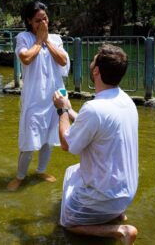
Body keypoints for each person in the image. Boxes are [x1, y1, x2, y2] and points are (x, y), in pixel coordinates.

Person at [53, 44, 138, 244]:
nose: (91, 63)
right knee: (74, 170)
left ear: (96, 70)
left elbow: (66, 144)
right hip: (127, 192)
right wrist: (71, 109)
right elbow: (94, 124)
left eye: (93, 60)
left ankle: (120, 230)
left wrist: (62, 110)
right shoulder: (126, 101)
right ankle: (117, 213)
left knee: (67, 223)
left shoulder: (94, 109)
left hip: (106, 196)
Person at [7, 1, 70, 191]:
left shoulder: (56, 39)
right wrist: (38, 41)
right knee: (28, 143)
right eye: (37, 20)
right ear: (29, 21)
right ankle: (20, 176)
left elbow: (63, 60)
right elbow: (25, 58)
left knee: (49, 141)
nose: (43, 23)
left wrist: (47, 40)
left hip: (54, 99)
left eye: (45, 19)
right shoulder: (23, 38)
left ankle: (41, 171)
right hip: (33, 100)